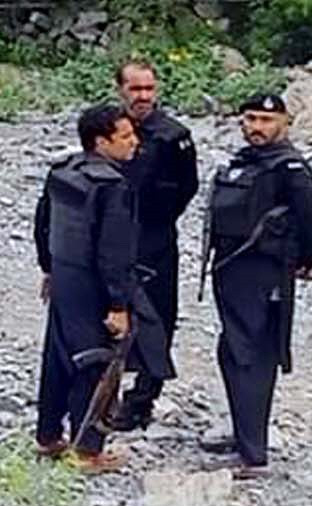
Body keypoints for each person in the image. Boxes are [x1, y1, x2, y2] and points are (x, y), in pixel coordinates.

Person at [201, 92, 312, 479]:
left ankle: (252, 455)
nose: (257, 127)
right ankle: (245, 435)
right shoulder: (246, 162)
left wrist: (303, 262)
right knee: (233, 352)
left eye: (266, 120)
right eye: (251, 119)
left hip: (263, 273)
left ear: (285, 123)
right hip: (232, 270)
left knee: (252, 358)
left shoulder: (289, 168)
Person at [33, 103, 141, 472]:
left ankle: (48, 436)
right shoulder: (112, 186)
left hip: (63, 274)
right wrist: (118, 304)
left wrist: (48, 268)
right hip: (93, 285)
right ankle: (86, 450)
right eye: (125, 136)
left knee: (57, 358)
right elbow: (114, 252)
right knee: (95, 362)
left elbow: (42, 222)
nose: (134, 142)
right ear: (101, 142)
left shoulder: (62, 171)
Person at [108, 59, 198, 431]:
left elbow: (187, 188)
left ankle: (142, 400)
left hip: (156, 237)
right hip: (113, 237)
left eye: (149, 89)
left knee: (157, 319)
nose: (143, 96)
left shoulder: (173, 135)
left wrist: (159, 221)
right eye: (135, 89)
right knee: (108, 312)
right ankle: (101, 394)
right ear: (121, 90)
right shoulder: (110, 128)